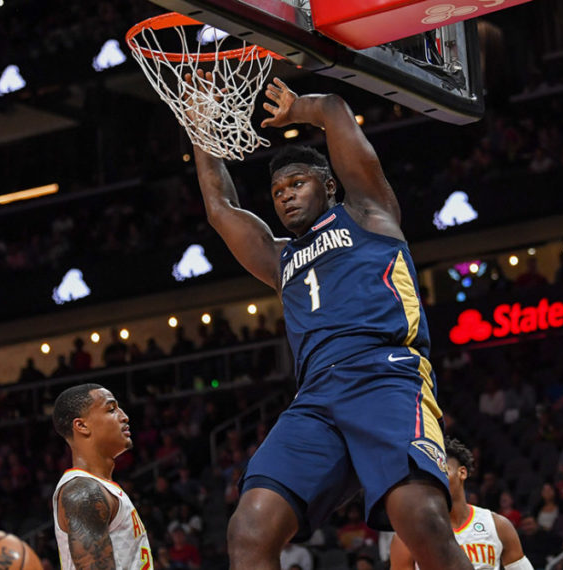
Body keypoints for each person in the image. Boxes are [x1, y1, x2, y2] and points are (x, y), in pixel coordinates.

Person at [188, 74, 470, 570]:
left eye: (297, 183)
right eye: (277, 191)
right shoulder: (278, 258)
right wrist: (201, 131)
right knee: (250, 527)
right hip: (316, 397)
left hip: (385, 375)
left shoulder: (367, 213)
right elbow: (221, 208)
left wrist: (305, 109)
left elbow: (337, 109)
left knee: (419, 516)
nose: (286, 196)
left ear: (329, 185)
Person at [389, 438, 530, 570]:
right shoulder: (407, 536)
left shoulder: (497, 525)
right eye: (428, 476)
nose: (435, 481)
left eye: (441, 471)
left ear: (462, 473)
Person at [51, 384, 152, 569]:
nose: (124, 416)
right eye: (111, 409)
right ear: (81, 425)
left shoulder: (100, 487)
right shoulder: (84, 492)